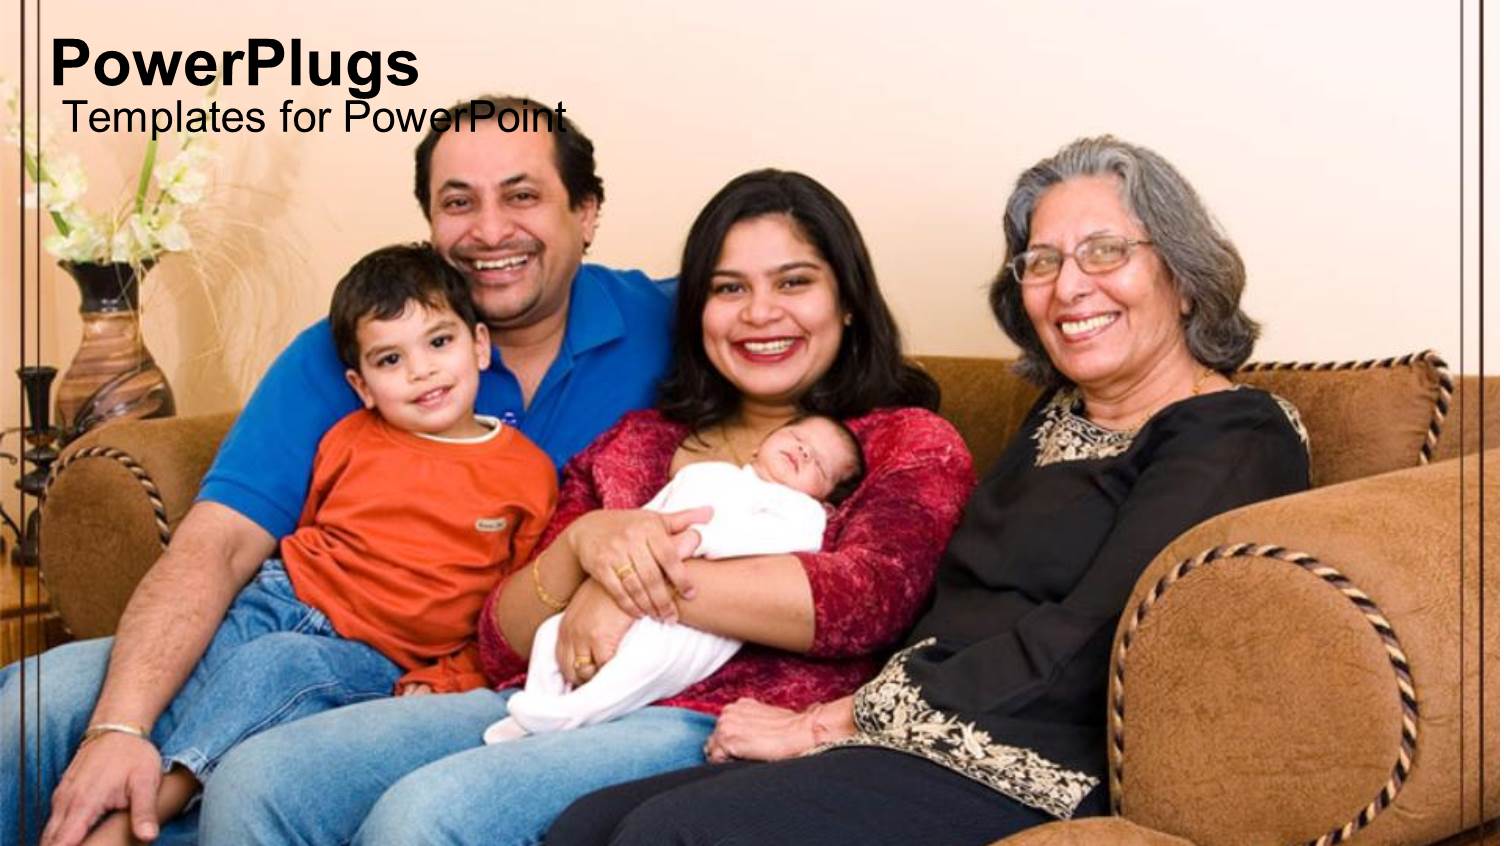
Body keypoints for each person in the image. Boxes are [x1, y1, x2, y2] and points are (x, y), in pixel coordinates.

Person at [546, 136, 1313, 846]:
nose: (1070, 287)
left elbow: (1091, 634)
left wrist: (827, 723)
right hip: (907, 736)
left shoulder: (1232, 432)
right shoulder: (1056, 420)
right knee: (585, 826)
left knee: (673, 835)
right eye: (1041, 262)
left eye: (1105, 252)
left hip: (1027, 760)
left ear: (1182, 276)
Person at [192, 168, 976, 846]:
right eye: (728, 288)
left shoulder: (903, 441)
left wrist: (618, 586)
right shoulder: (639, 441)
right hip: (540, 692)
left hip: (709, 718)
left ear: (847, 302)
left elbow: (868, 601)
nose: (759, 312)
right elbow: (502, 641)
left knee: (426, 818)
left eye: (794, 282)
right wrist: (583, 547)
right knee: (264, 776)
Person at [2, 93, 674, 846]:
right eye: (459, 202)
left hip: (442, 669)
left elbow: (793, 327)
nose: (489, 231)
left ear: (586, 212)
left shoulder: (675, 327)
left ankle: (150, 810)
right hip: (288, 617)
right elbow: (218, 544)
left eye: (522, 196)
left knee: (272, 723)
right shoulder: (356, 345)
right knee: (36, 698)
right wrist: (118, 727)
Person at [76, 243, 558, 845]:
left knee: (277, 669)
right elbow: (304, 531)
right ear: (361, 384)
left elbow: (508, 609)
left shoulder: (528, 474)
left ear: (480, 346)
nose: (422, 370)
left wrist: (452, 675)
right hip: (280, 599)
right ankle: (128, 789)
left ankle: (145, 809)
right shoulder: (349, 438)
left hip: (378, 654)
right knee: (200, 681)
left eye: (440, 342)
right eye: (390, 358)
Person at [486, 414, 865, 742]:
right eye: (796, 438)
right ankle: (539, 702)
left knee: (648, 663)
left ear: (826, 501)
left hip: (699, 619)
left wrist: (702, 540)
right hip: (629, 579)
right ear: (758, 446)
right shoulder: (705, 473)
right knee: (552, 632)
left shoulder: (800, 510)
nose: (801, 451)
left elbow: (780, 541)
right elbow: (649, 515)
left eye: (817, 462)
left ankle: (572, 715)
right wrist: (614, 560)